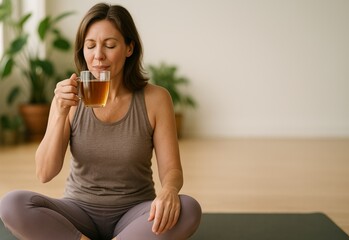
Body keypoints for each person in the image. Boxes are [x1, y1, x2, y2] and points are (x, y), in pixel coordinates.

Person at [0, 3, 201, 240]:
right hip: (78, 211)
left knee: (188, 208)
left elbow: (172, 170)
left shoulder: (156, 99)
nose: (98, 56)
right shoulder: (67, 98)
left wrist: (169, 190)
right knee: (11, 204)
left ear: (129, 48)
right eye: (91, 46)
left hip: (135, 213)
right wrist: (61, 113)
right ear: (82, 50)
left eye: (110, 45)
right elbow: (45, 173)